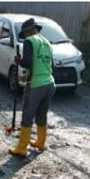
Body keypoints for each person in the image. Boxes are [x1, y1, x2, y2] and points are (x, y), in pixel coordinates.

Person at [9, 18, 55, 156]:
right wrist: (28, 77)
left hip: (37, 85)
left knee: (27, 116)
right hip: (50, 83)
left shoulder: (30, 41)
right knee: (41, 115)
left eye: (24, 34)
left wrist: (19, 61)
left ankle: (22, 149)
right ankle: (40, 143)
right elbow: (51, 66)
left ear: (28, 30)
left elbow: (28, 63)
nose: (25, 38)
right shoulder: (47, 43)